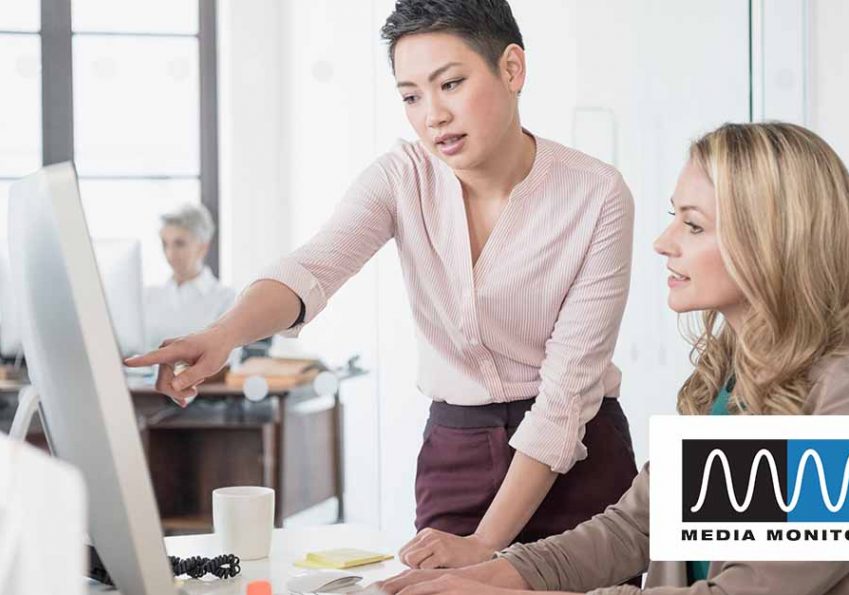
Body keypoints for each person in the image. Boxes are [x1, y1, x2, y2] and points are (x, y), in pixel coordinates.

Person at [126, 0, 639, 571]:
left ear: (512, 69)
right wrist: (224, 335)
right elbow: (313, 268)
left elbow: (565, 398)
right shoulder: (402, 177)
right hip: (457, 455)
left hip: (574, 461)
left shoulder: (596, 194)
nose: (432, 116)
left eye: (450, 84)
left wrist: (485, 544)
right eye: (411, 96)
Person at [376, 122, 849, 594]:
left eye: (694, 224)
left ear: (773, 241)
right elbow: (635, 529)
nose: (663, 242)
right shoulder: (736, 380)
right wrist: (488, 574)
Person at [143, 203, 237, 352]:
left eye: (179, 244)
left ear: (202, 246)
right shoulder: (148, 297)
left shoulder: (226, 300)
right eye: (165, 244)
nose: (170, 254)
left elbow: (226, 359)